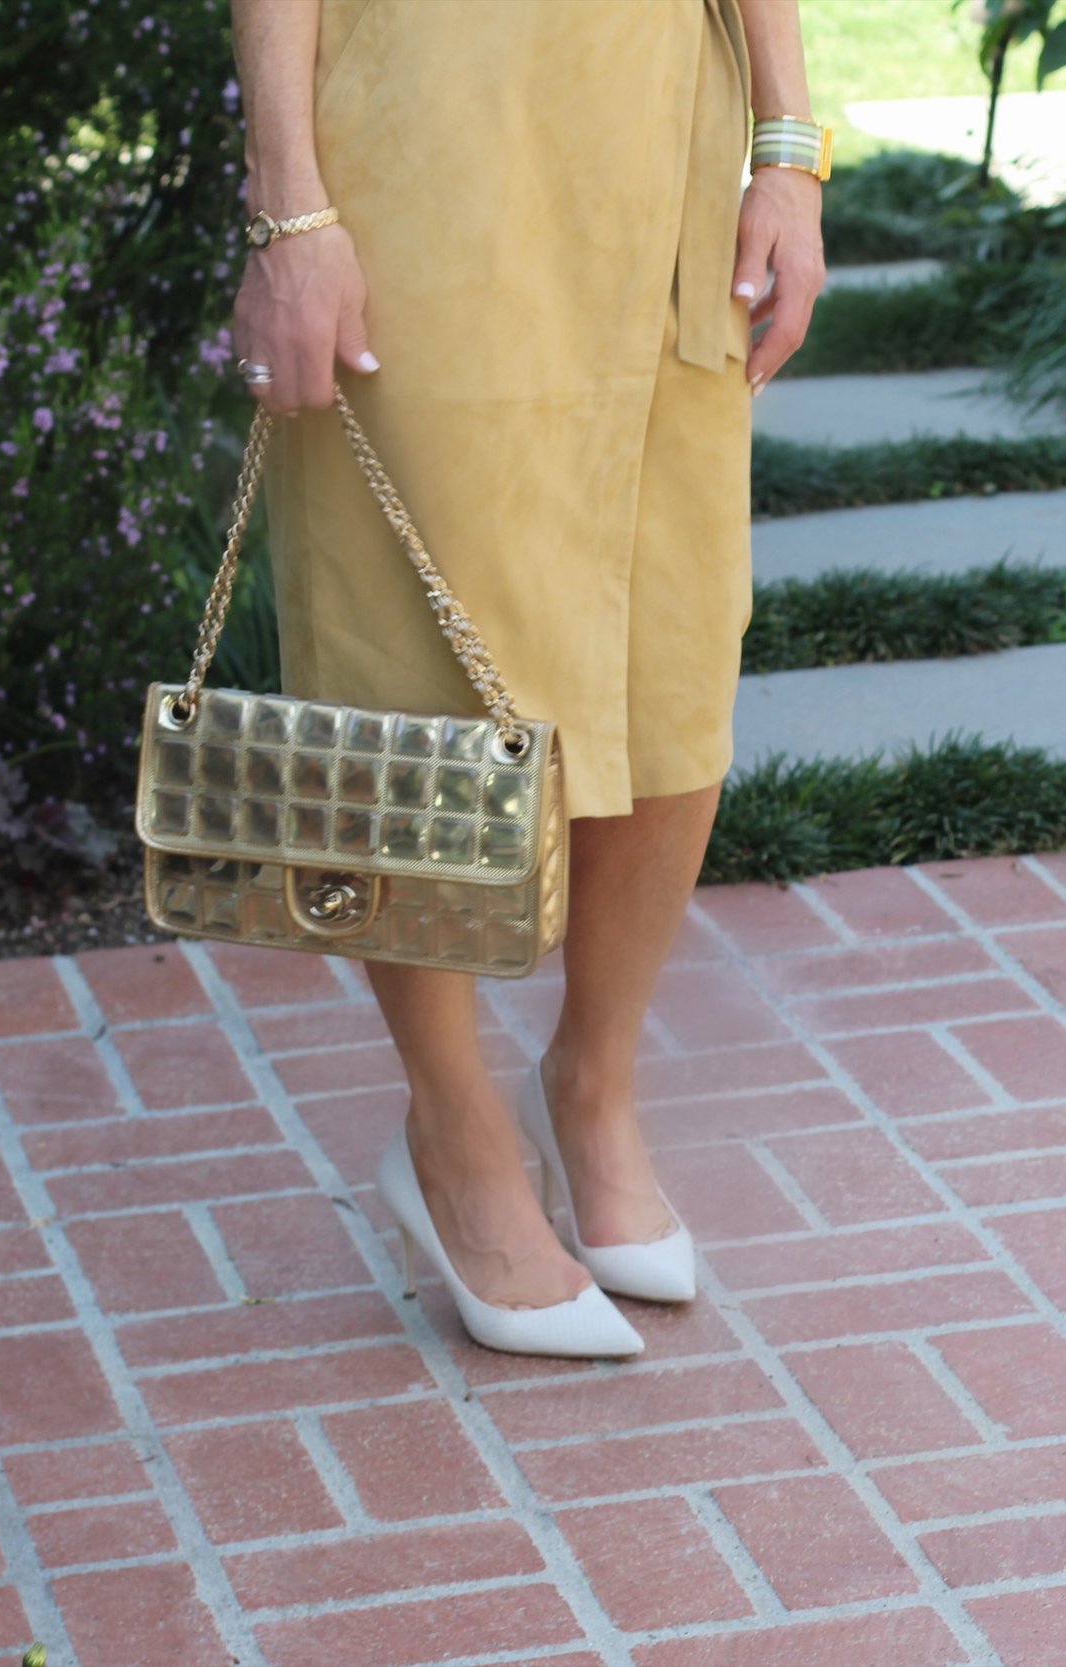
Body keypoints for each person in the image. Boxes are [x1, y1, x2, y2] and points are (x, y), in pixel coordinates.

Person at [225, 0, 825, 1359]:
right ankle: (453, 1132)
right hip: (423, 144)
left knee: (671, 660)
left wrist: (788, 149)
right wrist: (288, 209)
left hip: (669, 150)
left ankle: (593, 1087)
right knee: (413, 676)